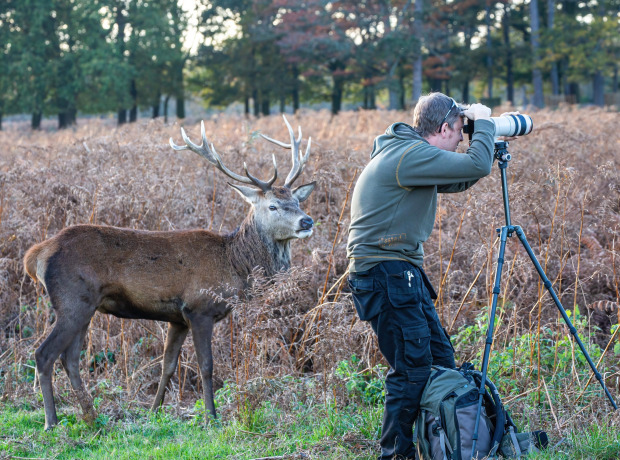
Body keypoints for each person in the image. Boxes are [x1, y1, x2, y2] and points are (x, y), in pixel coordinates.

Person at [346, 92, 495, 460]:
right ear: (443, 127)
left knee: (440, 359)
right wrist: (486, 125)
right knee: (412, 369)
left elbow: (461, 178)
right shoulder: (408, 155)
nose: (461, 138)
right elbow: (476, 166)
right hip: (386, 273)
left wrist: (485, 140)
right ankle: (396, 454)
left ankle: (442, 442)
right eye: (460, 130)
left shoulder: (408, 153)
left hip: (398, 273)